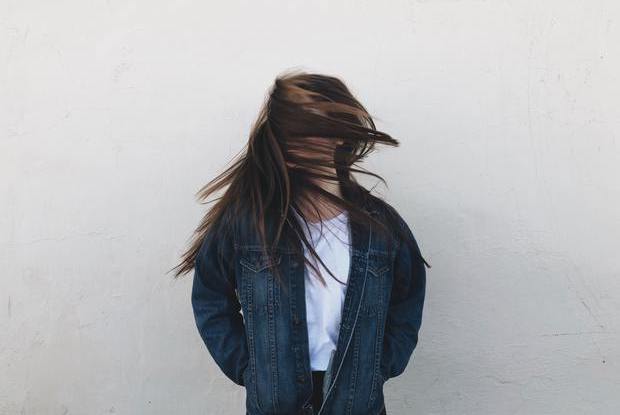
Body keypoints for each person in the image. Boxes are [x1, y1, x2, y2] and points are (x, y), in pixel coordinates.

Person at [172, 70, 430, 415]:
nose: (299, 143)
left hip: (356, 404)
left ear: (339, 134)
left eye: (312, 130)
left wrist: (379, 365)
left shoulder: (382, 228)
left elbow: (407, 301)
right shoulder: (248, 224)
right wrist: (250, 369)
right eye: (291, 133)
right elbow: (210, 298)